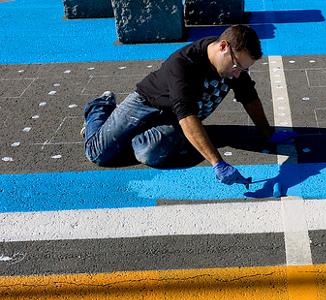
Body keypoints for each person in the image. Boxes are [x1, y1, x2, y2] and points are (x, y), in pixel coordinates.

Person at [82, 25, 287, 186]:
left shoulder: (234, 66)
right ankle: (100, 106)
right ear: (223, 46)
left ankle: (131, 134)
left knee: (149, 153)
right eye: (237, 67)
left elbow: (249, 97)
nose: (238, 74)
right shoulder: (184, 64)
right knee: (98, 153)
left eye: (243, 69)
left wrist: (266, 132)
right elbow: (187, 116)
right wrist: (218, 163)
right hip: (146, 103)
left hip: (173, 118)